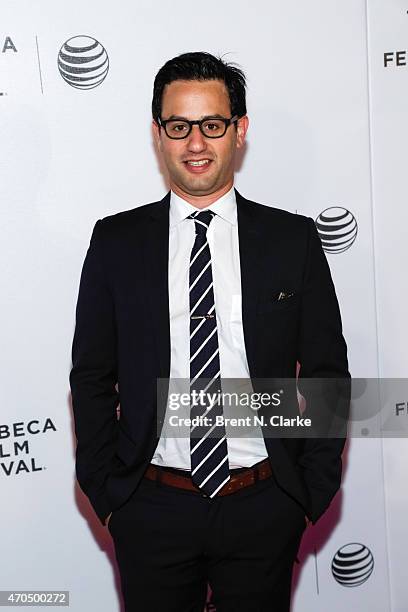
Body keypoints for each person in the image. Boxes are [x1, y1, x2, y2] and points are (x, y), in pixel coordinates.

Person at [70, 51, 350, 612]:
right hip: (150, 508)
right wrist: (109, 497)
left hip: (263, 504)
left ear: (239, 130)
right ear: (159, 135)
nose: (196, 143)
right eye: (179, 127)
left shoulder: (291, 241)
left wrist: (308, 494)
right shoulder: (116, 243)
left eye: (213, 125)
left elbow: (325, 373)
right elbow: (92, 378)